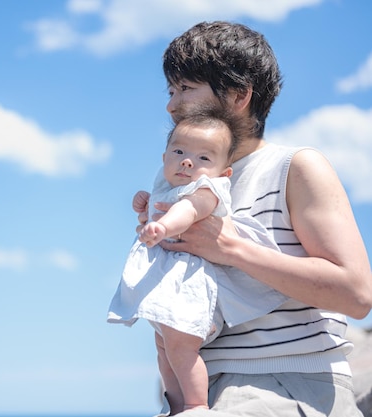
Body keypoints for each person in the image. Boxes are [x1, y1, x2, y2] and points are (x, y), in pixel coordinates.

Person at [133, 21, 372, 416]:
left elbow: (357, 294)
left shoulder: (294, 167)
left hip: (284, 385)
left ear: (239, 94)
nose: (171, 105)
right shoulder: (178, 179)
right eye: (171, 90)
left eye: (186, 88)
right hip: (195, 391)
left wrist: (231, 248)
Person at [108, 109, 288, 415]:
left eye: (204, 158)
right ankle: (176, 405)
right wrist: (145, 204)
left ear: (224, 172)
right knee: (164, 349)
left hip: (189, 289)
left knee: (182, 348)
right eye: (179, 152)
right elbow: (161, 208)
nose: (188, 161)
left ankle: (196, 405)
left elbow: (189, 210)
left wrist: (163, 226)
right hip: (168, 292)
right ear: (164, 156)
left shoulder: (208, 190)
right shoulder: (168, 187)